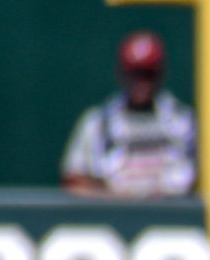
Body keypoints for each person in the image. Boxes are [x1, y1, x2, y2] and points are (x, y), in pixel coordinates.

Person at [61, 31, 196, 199]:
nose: (141, 83)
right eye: (135, 74)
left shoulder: (183, 121)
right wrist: (116, 198)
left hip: (175, 217)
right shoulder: (100, 122)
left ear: (160, 74)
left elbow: (205, 179)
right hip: (115, 217)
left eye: (148, 74)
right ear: (121, 73)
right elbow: (75, 180)